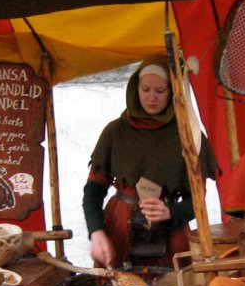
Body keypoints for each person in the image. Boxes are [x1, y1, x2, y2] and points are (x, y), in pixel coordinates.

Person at [83, 55, 218, 269]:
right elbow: (93, 191)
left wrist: (171, 212)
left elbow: (197, 201)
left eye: (160, 91)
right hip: (119, 231)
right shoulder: (115, 132)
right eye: (145, 90)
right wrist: (96, 232)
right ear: (135, 89)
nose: (151, 98)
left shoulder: (187, 134)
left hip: (170, 235)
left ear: (172, 92)